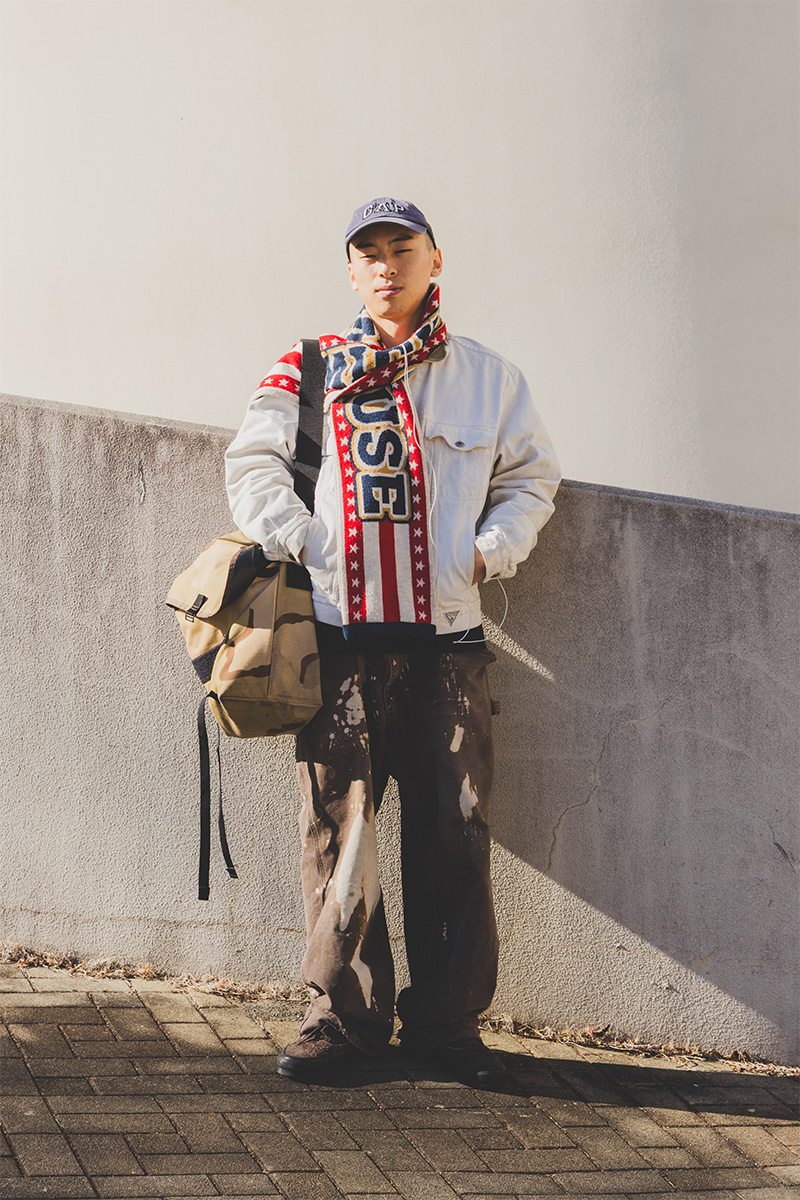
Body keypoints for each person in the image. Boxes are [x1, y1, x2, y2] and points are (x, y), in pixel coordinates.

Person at [225, 197, 560, 1087]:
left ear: (434, 259)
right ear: (350, 270)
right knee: (341, 828)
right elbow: (252, 467)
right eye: (367, 252)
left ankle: (448, 1027)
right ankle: (344, 1019)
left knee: (456, 830)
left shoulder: (489, 379)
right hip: (338, 643)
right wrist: (307, 542)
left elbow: (531, 478)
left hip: (449, 643)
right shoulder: (308, 368)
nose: (385, 265)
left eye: (401, 248)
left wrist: (486, 555)